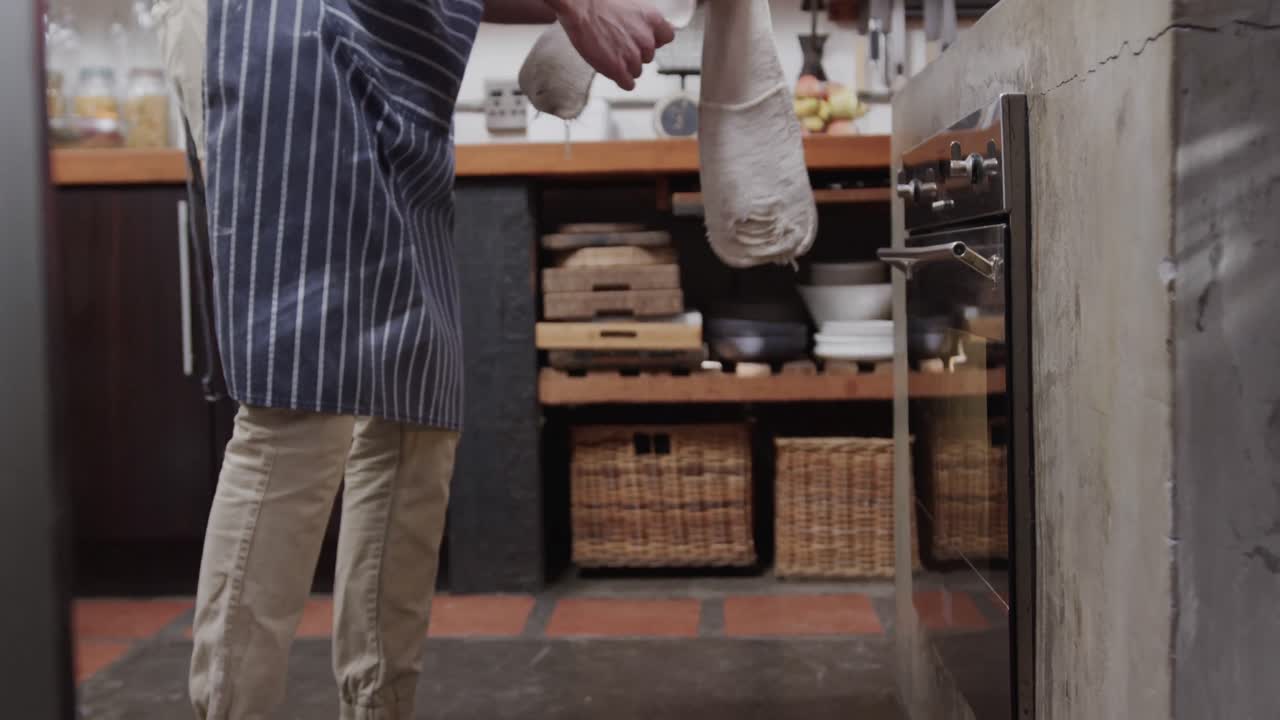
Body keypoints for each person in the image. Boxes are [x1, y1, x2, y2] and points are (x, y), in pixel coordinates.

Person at [156, 1, 675, 718]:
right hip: (287, 28)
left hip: (393, 48)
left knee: (415, 408)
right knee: (303, 398)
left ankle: (380, 706)